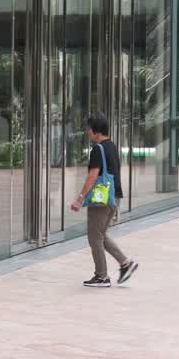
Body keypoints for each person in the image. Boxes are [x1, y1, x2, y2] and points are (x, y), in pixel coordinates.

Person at [70, 112, 139, 288]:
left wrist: (80, 198)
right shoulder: (112, 146)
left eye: (88, 129)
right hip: (113, 196)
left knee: (94, 237)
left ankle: (102, 276)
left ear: (95, 131)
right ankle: (125, 263)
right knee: (101, 235)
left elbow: (93, 176)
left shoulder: (97, 149)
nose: (87, 132)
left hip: (101, 199)